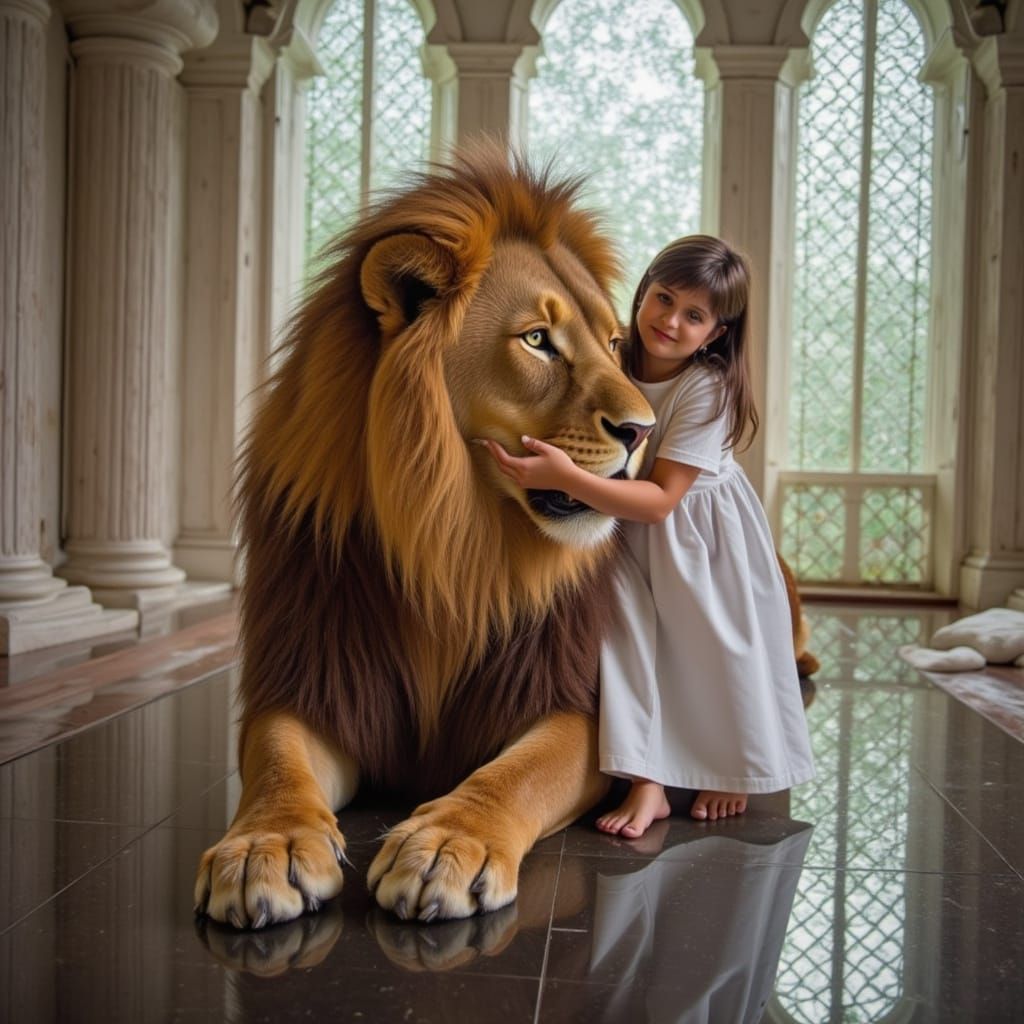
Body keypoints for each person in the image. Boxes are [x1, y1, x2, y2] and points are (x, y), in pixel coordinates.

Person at [483, 235, 815, 839]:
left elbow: (663, 500)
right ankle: (648, 781)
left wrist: (568, 478)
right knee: (627, 650)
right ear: (643, 293)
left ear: (715, 333)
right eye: (663, 299)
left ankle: (734, 765)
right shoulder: (613, 357)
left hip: (698, 537)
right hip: (623, 530)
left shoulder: (706, 388)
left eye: (694, 315)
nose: (669, 320)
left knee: (716, 650)